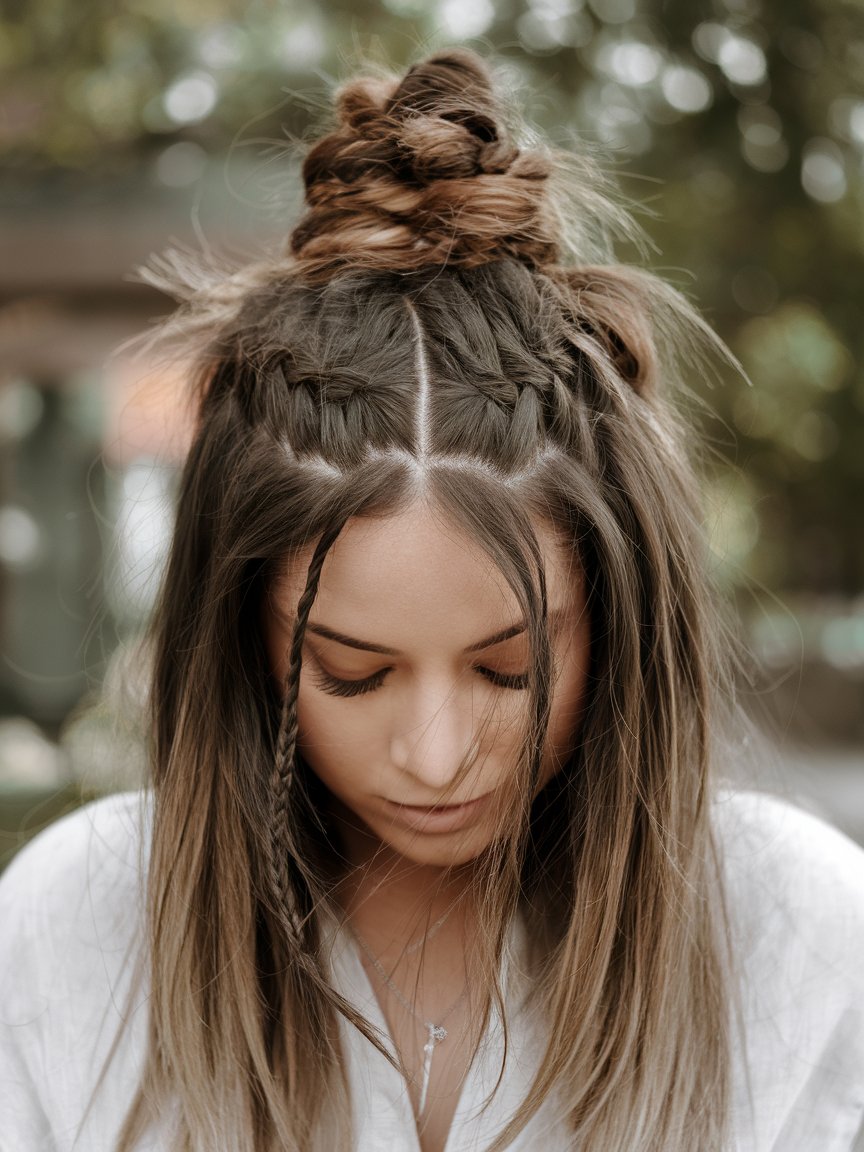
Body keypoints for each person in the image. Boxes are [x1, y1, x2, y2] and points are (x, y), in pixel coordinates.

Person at [1, 47, 863, 1152]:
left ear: (618, 613)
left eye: (513, 667)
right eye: (354, 674)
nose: (438, 753)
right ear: (244, 641)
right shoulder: (73, 926)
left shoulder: (804, 938)